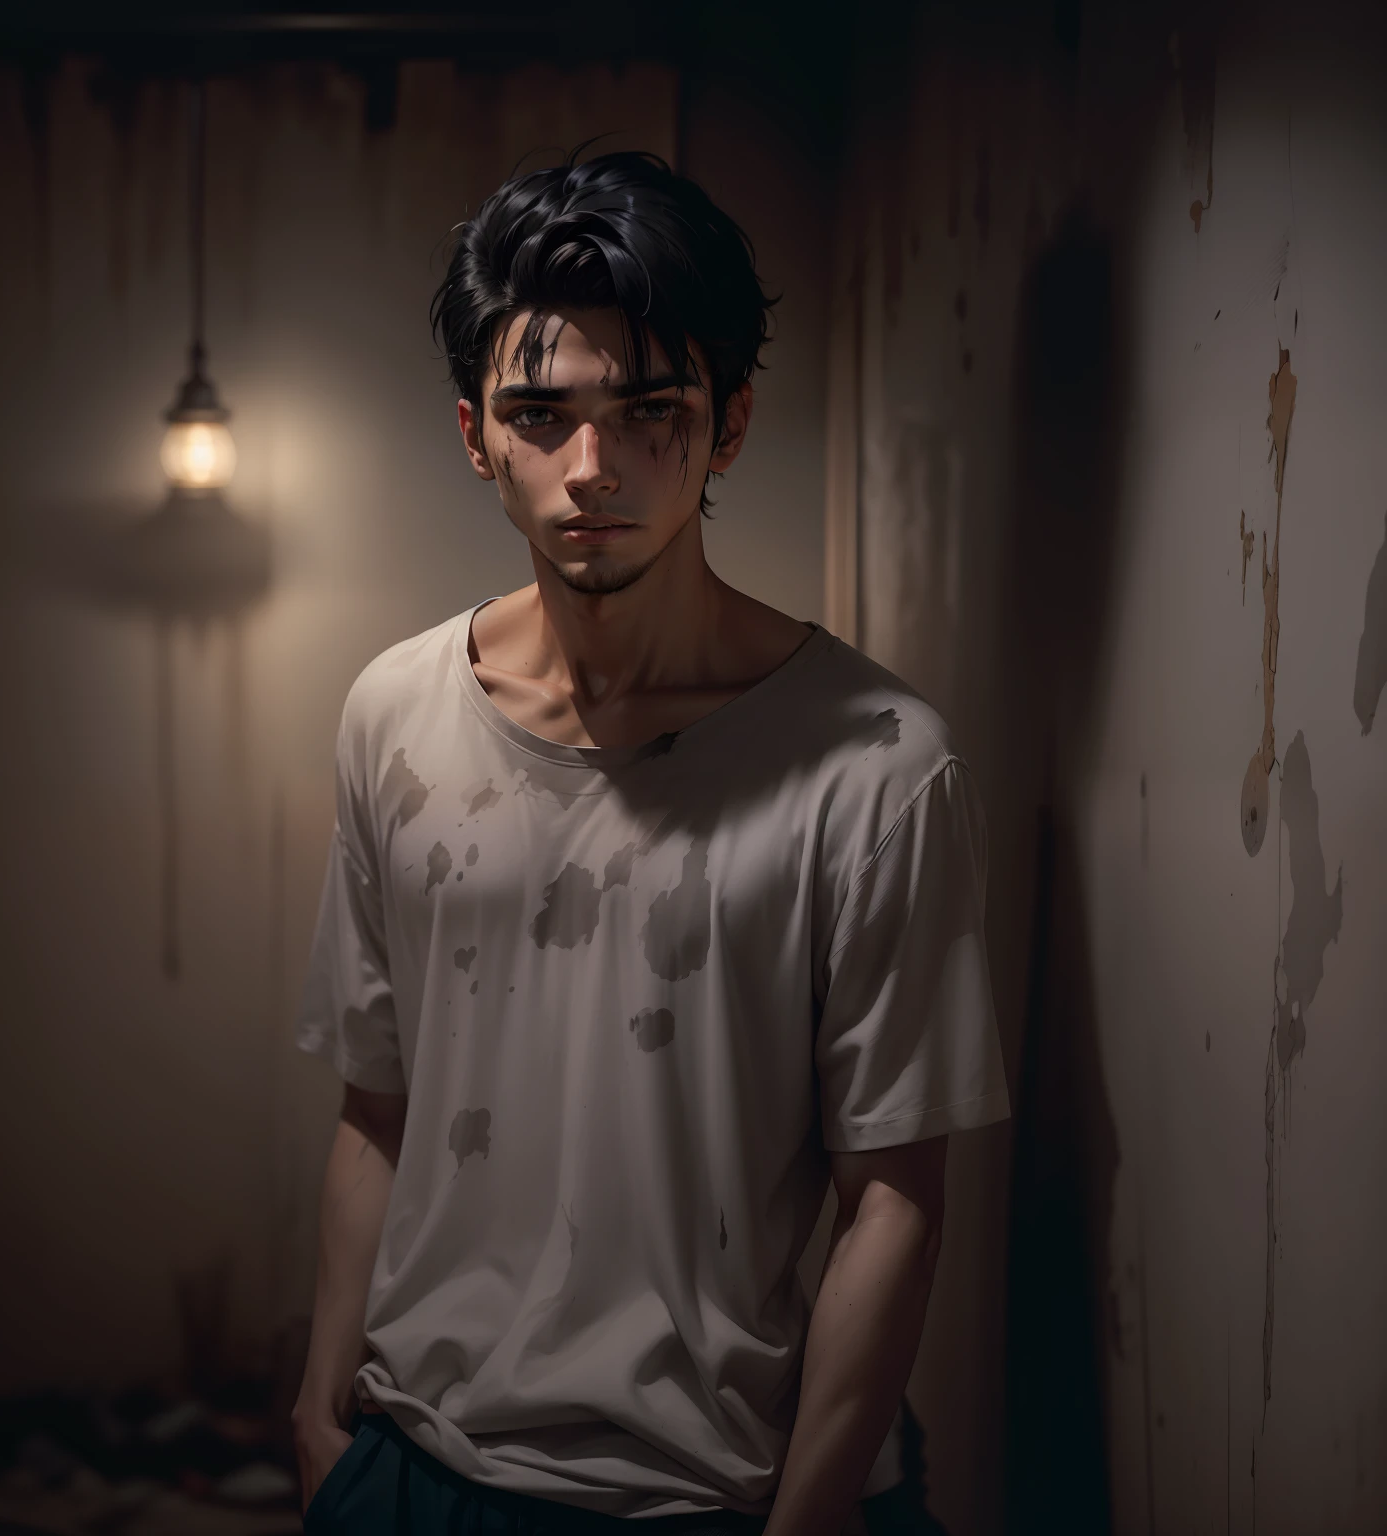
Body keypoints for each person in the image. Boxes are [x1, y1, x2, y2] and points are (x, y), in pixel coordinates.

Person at [288, 149, 1010, 1536]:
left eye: (649, 411)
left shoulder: (878, 766)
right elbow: (374, 1106)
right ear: (473, 433)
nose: (591, 470)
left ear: (729, 425)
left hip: (722, 1493)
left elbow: (896, 1203)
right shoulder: (394, 714)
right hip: (416, 1466)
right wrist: (322, 1419)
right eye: (541, 415)